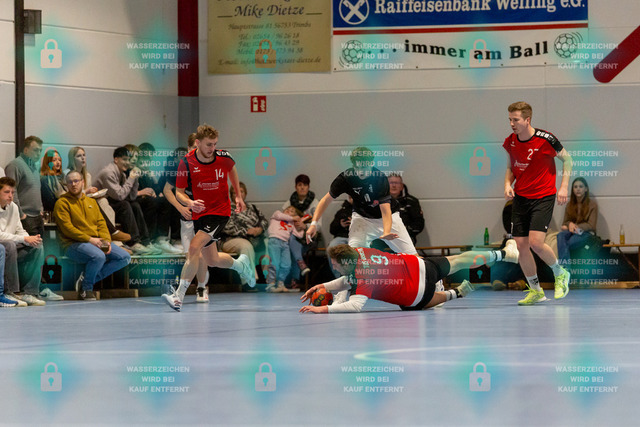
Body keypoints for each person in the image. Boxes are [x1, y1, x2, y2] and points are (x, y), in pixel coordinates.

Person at [161, 124, 255, 311]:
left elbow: (232, 170)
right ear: (197, 143)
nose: (212, 148)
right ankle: (240, 264)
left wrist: (237, 195)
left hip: (219, 212)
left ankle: (178, 296)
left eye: (215, 144)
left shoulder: (223, 157)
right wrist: (189, 202)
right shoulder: (186, 162)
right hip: (200, 214)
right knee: (212, 259)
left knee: (194, 247)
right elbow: (178, 192)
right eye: (208, 145)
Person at [300, 241, 519, 313]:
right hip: (421, 267)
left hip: (418, 295)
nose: (334, 267)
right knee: (459, 260)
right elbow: (348, 280)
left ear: (346, 263)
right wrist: (323, 286)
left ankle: (456, 293)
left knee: (418, 302)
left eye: (336, 264)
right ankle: (503, 254)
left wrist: (323, 309)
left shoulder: (362, 276)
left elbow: (355, 305)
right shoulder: (359, 252)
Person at [503, 101, 573, 305]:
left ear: (527, 120)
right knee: (521, 245)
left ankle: (560, 273)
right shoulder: (511, 141)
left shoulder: (546, 139)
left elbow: (568, 160)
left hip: (543, 196)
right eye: (510, 120)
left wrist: (563, 187)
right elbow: (511, 167)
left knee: (536, 242)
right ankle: (536, 291)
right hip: (521, 198)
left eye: (516, 120)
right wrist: (507, 184)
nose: (512, 124)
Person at [53, 171, 131, 300]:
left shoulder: (92, 202)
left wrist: (106, 241)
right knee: (98, 256)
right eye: (70, 182)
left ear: (83, 182)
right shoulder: (62, 203)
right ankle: (86, 289)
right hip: (73, 244)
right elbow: (68, 229)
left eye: (76, 181)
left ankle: (87, 279)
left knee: (124, 257)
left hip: (96, 242)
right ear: (66, 185)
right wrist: (90, 240)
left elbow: (101, 224)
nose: (73, 184)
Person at [5, 136, 63, 301]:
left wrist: (41, 210)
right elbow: (12, 192)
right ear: (25, 150)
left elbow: (35, 192)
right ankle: (28, 291)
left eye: (40, 150)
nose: (39, 153)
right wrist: (21, 214)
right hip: (26, 217)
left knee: (40, 252)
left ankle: (39, 289)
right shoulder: (15, 165)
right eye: (35, 150)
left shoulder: (34, 167)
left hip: (37, 217)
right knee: (31, 252)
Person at [94, 146, 159, 255]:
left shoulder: (122, 173)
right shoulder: (108, 172)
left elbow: (132, 196)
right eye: (124, 159)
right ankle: (133, 243)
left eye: (128, 160)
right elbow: (120, 196)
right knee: (124, 205)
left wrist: (135, 178)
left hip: (112, 202)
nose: (127, 162)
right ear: (116, 159)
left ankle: (146, 242)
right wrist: (131, 178)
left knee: (134, 204)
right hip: (100, 206)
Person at [66, 146, 131, 244]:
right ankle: (112, 234)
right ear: (72, 159)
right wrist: (86, 191)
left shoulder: (87, 175)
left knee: (104, 201)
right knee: (104, 204)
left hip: (86, 201)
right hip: (74, 203)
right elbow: (70, 193)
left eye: (84, 155)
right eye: (79, 156)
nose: (83, 158)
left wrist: (94, 193)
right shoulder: (67, 174)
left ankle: (112, 237)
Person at [0, 177, 46, 306]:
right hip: (4, 247)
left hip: (12, 246)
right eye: (6, 192)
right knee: (9, 245)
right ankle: (10, 292)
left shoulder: (13, 207)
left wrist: (30, 240)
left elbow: (20, 230)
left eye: (12, 192)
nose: (10, 196)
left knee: (37, 247)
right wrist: (24, 239)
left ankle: (30, 292)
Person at [221, 182, 268, 291]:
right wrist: (247, 231)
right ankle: (248, 281)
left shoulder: (253, 208)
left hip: (255, 238)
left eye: (241, 191)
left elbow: (264, 221)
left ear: (245, 193)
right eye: (235, 192)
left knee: (269, 243)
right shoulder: (227, 208)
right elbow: (228, 228)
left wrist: (259, 229)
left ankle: (266, 279)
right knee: (246, 246)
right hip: (231, 240)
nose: (238, 194)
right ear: (231, 195)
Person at [282, 174, 320, 286]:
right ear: (295, 187)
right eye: (299, 185)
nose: (302, 187)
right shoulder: (289, 203)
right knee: (290, 241)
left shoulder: (315, 203)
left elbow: (319, 225)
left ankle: (292, 280)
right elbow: (282, 219)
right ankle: (296, 276)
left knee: (291, 245)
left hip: (309, 237)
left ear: (308, 187)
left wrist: (305, 226)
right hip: (291, 234)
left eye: (305, 185)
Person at [557, 178, 598, 265]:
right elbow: (565, 222)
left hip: (585, 232)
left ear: (586, 189)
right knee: (560, 235)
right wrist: (570, 224)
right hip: (572, 231)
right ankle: (565, 269)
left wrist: (575, 226)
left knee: (569, 243)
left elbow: (591, 225)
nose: (578, 189)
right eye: (575, 187)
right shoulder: (569, 204)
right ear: (572, 189)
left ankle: (565, 268)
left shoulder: (592, 205)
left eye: (581, 186)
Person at [265, 206, 305, 293]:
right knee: (275, 263)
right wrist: (293, 218)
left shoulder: (291, 223)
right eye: (287, 209)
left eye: (292, 211)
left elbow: (299, 235)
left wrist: (301, 226)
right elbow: (280, 216)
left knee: (287, 264)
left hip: (285, 243)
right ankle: (271, 284)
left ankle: (281, 283)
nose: (288, 211)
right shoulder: (277, 214)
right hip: (274, 240)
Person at [388, 174, 425, 244]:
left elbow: (418, 224)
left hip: (406, 239)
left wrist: (404, 232)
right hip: (383, 239)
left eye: (397, 183)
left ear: (402, 186)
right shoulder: (378, 202)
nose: (394, 186)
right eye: (391, 183)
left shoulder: (411, 201)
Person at [326, 197, 353, 278]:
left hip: (357, 236)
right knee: (331, 248)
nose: (352, 199)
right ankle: (339, 278)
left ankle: (355, 277)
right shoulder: (341, 212)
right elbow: (332, 230)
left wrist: (354, 223)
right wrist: (340, 225)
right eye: (350, 197)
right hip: (341, 236)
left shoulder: (364, 211)